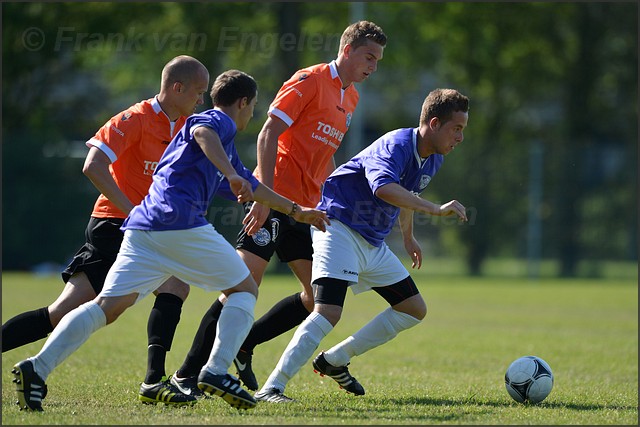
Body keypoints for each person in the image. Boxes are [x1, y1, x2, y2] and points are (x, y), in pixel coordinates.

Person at [11, 69, 330, 412]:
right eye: (252, 107)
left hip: (142, 227)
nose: (251, 115)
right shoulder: (216, 121)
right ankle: (216, 371)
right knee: (244, 288)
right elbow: (204, 132)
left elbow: (252, 188)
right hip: (178, 222)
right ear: (243, 103)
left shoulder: (222, 148)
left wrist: (297, 211)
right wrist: (231, 173)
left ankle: (36, 368)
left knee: (108, 307)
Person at [170, 20, 387, 397]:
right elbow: (269, 131)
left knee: (313, 298)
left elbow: (325, 151)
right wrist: (263, 196)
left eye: (378, 60)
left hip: (306, 209)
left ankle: (244, 345)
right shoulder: (308, 80)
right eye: (369, 56)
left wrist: (333, 195)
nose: (373, 65)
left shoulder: (350, 96)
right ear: (347, 50)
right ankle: (188, 374)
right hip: (273, 202)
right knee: (239, 288)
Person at [3, 55, 209, 406]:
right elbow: (93, 165)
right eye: (199, 92)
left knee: (66, 311)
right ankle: (153, 382)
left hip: (146, 230)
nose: (201, 99)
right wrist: (133, 213)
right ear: (177, 88)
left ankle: (153, 381)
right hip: (114, 225)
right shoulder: (134, 119)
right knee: (167, 286)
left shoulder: (190, 125)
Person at [253, 88, 470, 402]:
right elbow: (384, 188)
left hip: (371, 241)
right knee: (327, 310)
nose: (460, 137)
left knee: (413, 309)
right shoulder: (396, 143)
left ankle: (334, 360)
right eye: (457, 129)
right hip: (338, 227)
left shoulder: (433, 158)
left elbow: (404, 194)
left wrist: (407, 237)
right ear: (434, 123)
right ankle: (272, 387)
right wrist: (434, 208)